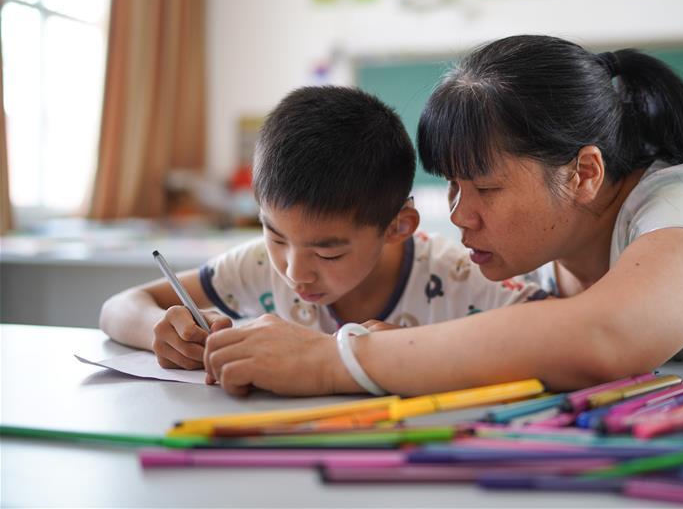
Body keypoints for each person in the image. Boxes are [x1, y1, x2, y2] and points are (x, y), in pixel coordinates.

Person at [202, 35, 683, 397]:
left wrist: (329, 360)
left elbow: (602, 338)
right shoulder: (540, 255)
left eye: (484, 187)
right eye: (452, 186)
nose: (459, 217)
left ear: (583, 173)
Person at [99, 86, 544, 392]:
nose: (295, 272)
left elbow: (555, 332)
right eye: (275, 236)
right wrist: (164, 333)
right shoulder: (257, 265)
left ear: (398, 226)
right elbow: (118, 306)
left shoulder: (456, 276)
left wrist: (409, 354)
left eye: (328, 252)